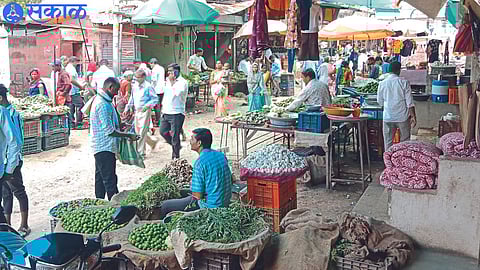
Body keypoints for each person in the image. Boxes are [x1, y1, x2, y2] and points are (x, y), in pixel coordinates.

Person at [159, 128, 232, 219]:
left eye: (192, 138)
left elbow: (198, 196)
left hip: (210, 207)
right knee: (182, 192)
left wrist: (193, 189)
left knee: (165, 206)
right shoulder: (220, 155)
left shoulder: (200, 163)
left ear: (199, 143)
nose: (190, 141)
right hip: (224, 201)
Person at [90, 77, 139, 200]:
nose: (117, 93)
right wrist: (128, 136)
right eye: (116, 90)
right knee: (109, 180)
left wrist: (121, 125)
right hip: (104, 147)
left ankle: (99, 202)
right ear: (110, 87)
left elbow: (109, 124)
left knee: (100, 178)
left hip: (102, 146)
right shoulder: (102, 104)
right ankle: (115, 207)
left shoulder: (104, 101)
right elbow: (110, 131)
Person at [0, 84, 30, 236]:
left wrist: (11, 165)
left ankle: (24, 225)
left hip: (12, 161)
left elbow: (16, 140)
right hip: (3, 163)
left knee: (18, 191)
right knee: (6, 194)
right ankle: (7, 226)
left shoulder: (12, 114)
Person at [377, 61, 417, 151]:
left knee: (388, 143)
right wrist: (414, 116)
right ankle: (402, 162)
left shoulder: (382, 83)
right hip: (402, 117)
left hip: (388, 117)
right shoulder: (404, 82)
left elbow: (380, 102)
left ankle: (388, 163)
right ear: (399, 70)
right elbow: (409, 103)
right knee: (405, 143)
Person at [124, 70, 159, 158]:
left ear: (143, 77)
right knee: (138, 131)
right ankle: (152, 142)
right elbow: (132, 98)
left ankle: (141, 153)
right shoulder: (134, 85)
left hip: (145, 111)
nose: (136, 79)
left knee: (142, 131)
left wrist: (147, 106)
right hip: (137, 110)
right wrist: (127, 107)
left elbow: (155, 99)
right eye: (136, 77)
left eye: (138, 78)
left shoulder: (148, 86)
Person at [160, 63, 188, 160]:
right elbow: (164, 92)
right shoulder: (167, 81)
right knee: (163, 132)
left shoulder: (182, 82)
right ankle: (176, 146)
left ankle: (175, 157)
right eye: (169, 72)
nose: (169, 74)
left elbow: (177, 93)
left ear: (177, 71)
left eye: (171, 71)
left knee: (175, 135)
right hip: (166, 111)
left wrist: (172, 83)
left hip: (177, 112)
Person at [65, 56, 86, 129]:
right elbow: (71, 80)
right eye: (77, 62)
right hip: (73, 91)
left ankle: (71, 123)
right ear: (74, 61)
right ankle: (79, 123)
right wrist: (80, 86)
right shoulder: (71, 69)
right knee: (80, 105)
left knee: (71, 107)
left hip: (70, 91)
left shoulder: (68, 68)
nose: (77, 64)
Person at [149, 58, 165, 125]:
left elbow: (154, 80)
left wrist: (150, 88)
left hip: (156, 90)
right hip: (162, 89)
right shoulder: (161, 68)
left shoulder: (154, 70)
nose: (150, 66)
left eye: (150, 64)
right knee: (160, 105)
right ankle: (161, 120)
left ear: (152, 63)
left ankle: (158, 121)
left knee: (156, 106)